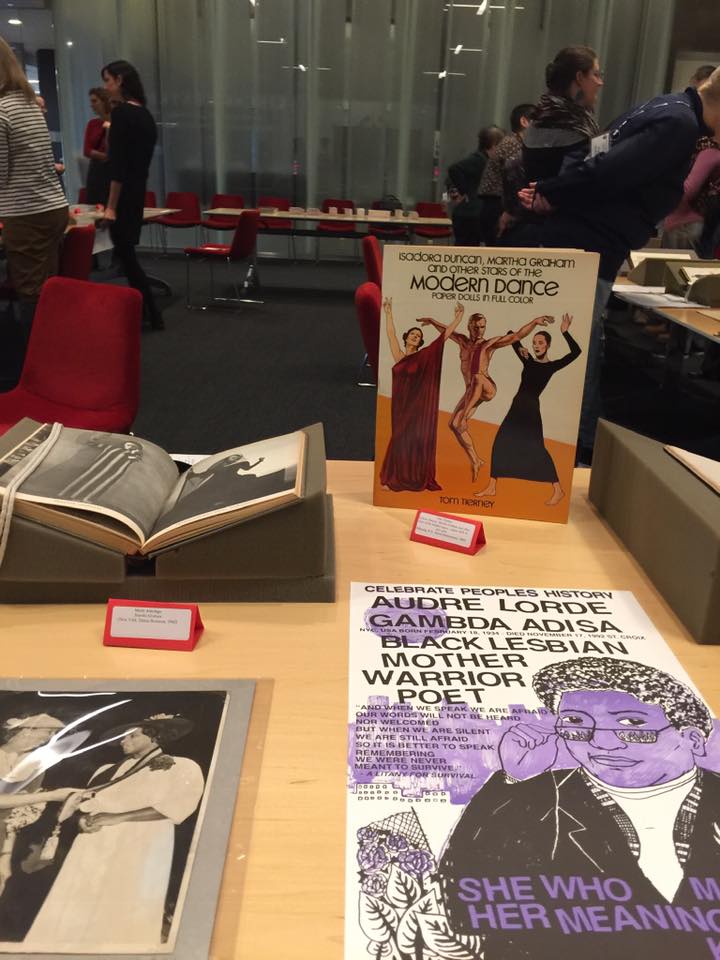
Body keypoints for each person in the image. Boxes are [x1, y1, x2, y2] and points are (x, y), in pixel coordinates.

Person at [440, 656, 719, 958]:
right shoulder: (529, 799)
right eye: (575, 723)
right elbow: (465, 903)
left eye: (631, 724)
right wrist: (518, 781)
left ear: (692, 739)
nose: (602, 743)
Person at [508, 67, 720, 461]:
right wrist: (554, 193)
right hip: (592, 240)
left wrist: (554, 192)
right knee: (580, 353)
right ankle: (581, 453)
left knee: (577, 349)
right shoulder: (680, 125)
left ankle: (576, 447)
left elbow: (593, 150)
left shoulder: (665, 105)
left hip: (580, 234)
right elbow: (609, 169)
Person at [25, 713, 204, 948]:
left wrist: (118, 817)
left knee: (125, 900)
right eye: (123, 737)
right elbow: (81, 804)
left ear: (155, 738)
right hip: (92, 844)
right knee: (76, 901)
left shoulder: (182, 766)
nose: (123, 741)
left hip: (142, 842)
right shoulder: (106, 770)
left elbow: (178, 807)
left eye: (132, 736)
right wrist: (81, 821)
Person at [420, 311, 554, 481]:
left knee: (476, 378)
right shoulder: (463, 342)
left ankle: (464, 418)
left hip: (487, 387)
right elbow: (446, 330)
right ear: (469, 326)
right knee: (454, 424)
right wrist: (432, 320)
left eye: (482, 327)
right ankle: (476, 460)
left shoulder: (489, 345)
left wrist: (534, 321)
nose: (479, 330)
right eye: (476, 327)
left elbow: (517, 336)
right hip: (472, 392)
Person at [0, 38, 68, 344]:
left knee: (31, 294)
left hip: (26, 213)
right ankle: (56, 355)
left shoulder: (1, 112)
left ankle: (39, 367)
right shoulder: (27, 103)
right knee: (47, 288)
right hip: (52, 206)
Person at [477, 313, 581, 505]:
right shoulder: (528, 360)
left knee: (537, 448)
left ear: (548, 345)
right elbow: (511, 334)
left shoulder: (551, 366)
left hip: (531, 409)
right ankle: (492, 487)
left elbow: (576, 352)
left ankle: (558, 490)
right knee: (500, 442)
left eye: (540, 342)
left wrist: (565, 332)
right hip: (517, 407)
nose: (536, 345)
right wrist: (527, 335)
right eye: (534, 342)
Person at [101, 60, 163, 330]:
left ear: (121, 81)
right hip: (138, 190)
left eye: (108, 81)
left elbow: (118, 167)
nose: (107, 88)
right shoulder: (146, 115)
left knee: (126, 255)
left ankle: (150, 310)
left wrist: (110, 206)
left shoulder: (122, 114)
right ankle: (148, 311)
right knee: (127, 254)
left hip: (124, 194)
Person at [379, 300, 465, 492]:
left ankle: (416, 477)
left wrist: (458, 318)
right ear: (407, 337)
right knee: (400, 438)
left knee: (416, 440)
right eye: (413, 334)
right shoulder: (400, 356)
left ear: (420, 342)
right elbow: (390, 334)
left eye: (418, 336)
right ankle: (396, 476)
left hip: (418, 407)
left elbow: (443, 338)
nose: (415, 336)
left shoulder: (425, 355)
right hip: (402, 407)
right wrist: (388, 313)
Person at [521, 46, 602, 188]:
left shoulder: (540, 117)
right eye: (596, 74)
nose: (600, 82)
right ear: (580, 78)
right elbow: (596, 177)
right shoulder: (576, 130)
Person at [473, 103, 533, 240]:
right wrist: (511, 211)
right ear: (524, 121)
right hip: (497, 206)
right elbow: (513, 179)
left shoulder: (512, 142)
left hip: (498, 205)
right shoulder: (513, 144)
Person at [447, 125, 505, 245]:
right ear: (495, 145)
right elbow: (454, 169)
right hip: (470, 215)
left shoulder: (487, 161)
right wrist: (466, 191)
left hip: (474, 213)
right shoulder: (478, 160)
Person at [83, 87, 111, 205]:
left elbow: (112, 151)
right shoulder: (92, 124)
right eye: (91, 101)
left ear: (104, 101)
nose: (91, 105)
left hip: (111, 172)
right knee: (94, 206)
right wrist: (104, 156)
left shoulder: (116, 122)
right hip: (96, 172)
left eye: (95, 101)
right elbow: (86, 151)